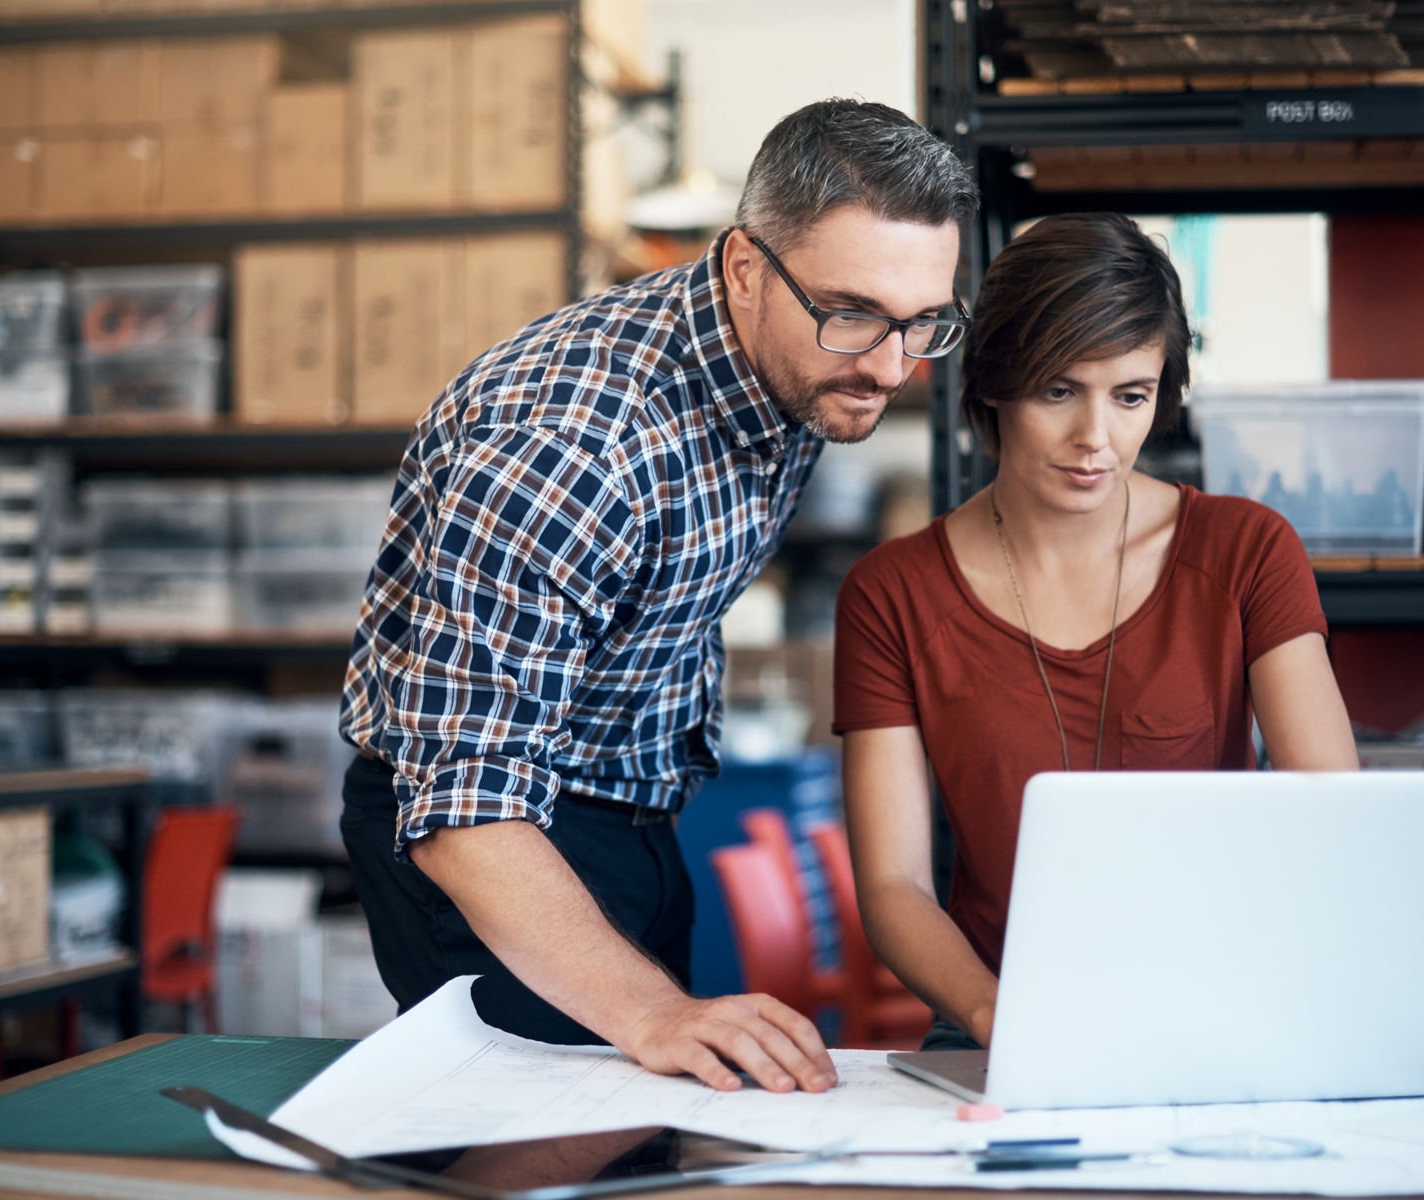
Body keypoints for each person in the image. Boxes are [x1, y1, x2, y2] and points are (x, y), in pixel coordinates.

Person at [337, 98, 978, 1093]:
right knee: (540, 1140)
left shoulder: (800, 362)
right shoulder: (571, 448)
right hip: (491, 836)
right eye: (852, 314)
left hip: (634, 805)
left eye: (921, 323)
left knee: (651, 1118)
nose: (890, 366)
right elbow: (464, 796)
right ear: (742, 269)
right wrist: (649, 1009)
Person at [831, 213, 1359, 1054]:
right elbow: (895, 885)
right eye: (1057, 391)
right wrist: (992, 1013)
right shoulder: (892, 595)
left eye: (1131, 396)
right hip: (996, 1021)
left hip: (1222, 1010)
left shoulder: (1247, 551)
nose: (1095, 440)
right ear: (995, 384)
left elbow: (1333, 820)